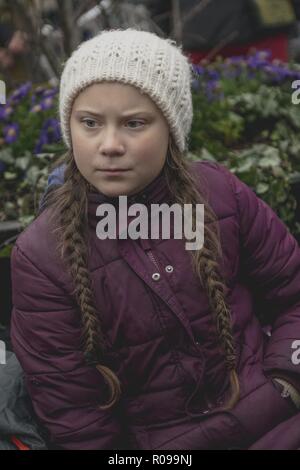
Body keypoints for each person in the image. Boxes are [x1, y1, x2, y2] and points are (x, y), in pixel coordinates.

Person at [10, 28, 300, 450]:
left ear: (172, 128)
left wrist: (289, 382)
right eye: (89, 122)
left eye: (134, 123)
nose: (109, 145)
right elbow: (75, 417)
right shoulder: (42, 257)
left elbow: (294, 293)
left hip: (279, 417)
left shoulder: (221, 196)